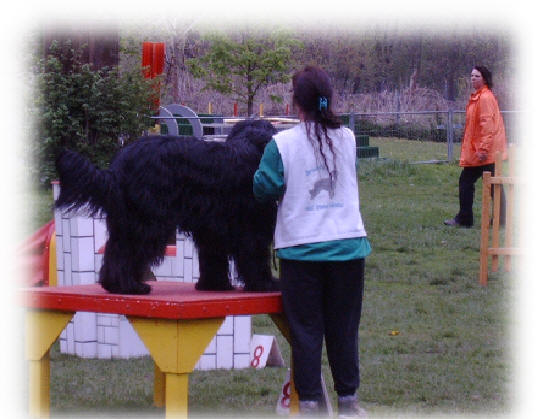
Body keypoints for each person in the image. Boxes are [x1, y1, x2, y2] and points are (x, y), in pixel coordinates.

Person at [253, 65, 371, 418]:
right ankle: (349, 402)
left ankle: (308, 407)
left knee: (306, 332)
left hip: (302, 251)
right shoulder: (348, 139)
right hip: (349, 247)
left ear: (294, 103)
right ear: (328, 99)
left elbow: (263, 188)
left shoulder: (281, 144)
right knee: (343, 329)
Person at [444, 65, 507, 228]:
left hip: (485, 151)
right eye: (471, 76)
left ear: (484, 79)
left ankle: (465, 219)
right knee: (494, 184)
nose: (473, 79)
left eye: (477, 76)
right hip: (487, 150)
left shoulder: (484, 98)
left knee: (467, 182)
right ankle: (500, 220)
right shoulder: (479, 96)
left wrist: (483, 149)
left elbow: (487, 125)